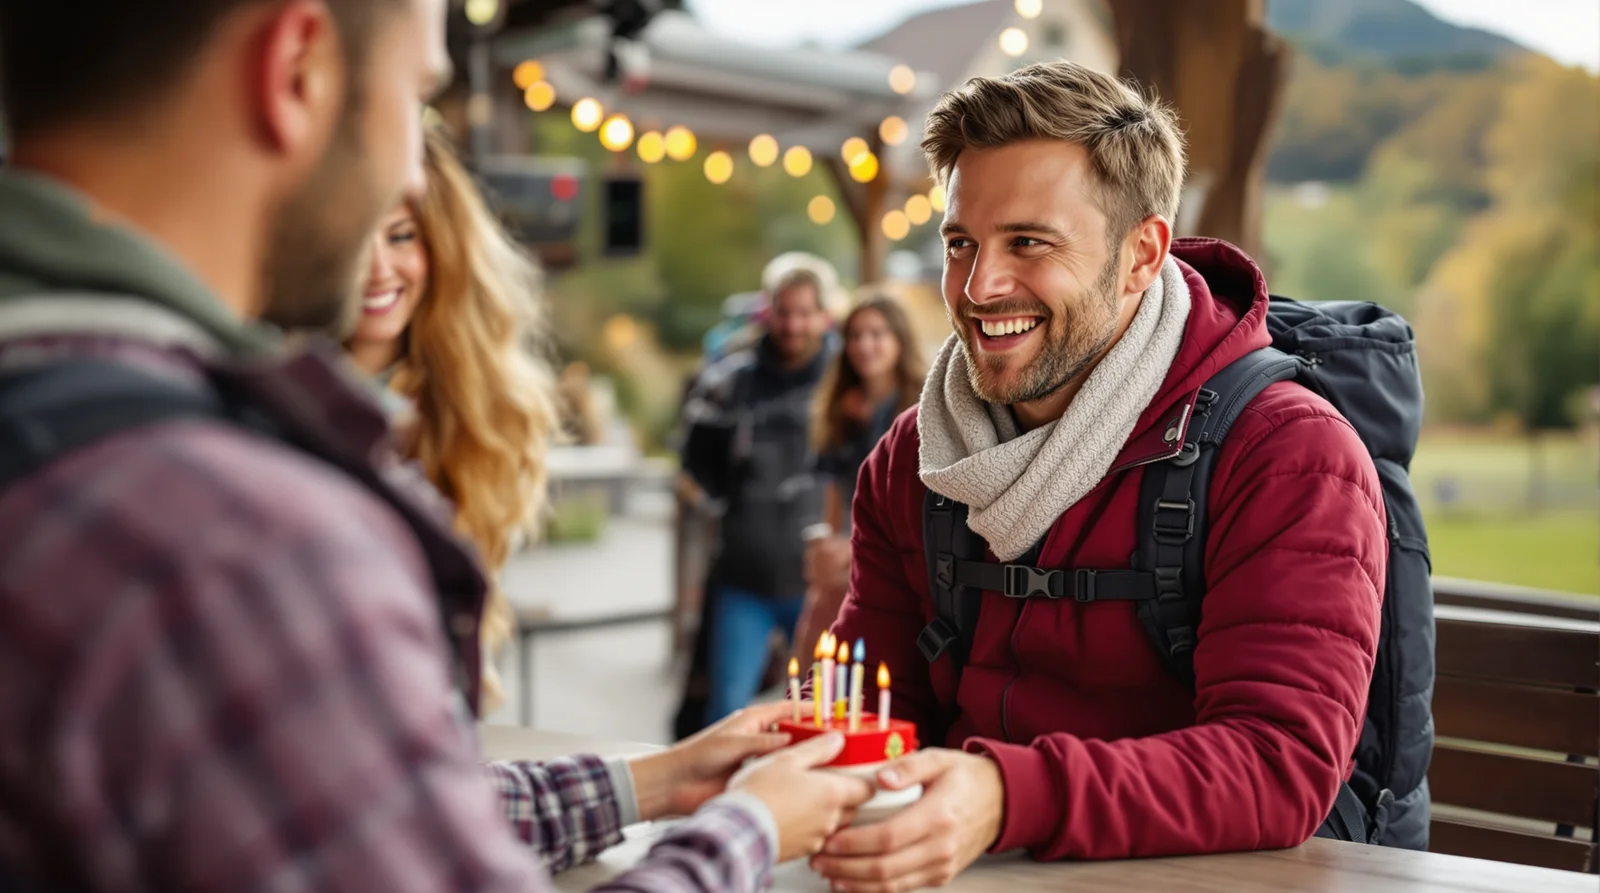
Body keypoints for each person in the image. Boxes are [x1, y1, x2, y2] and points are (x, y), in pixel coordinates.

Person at [0, 2, 872, 891]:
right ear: (297, 69)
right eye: (417, 96)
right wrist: (751, 828)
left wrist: (651, 780)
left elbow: (360, 812)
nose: (414, 170)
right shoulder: (238, 542)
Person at [809, 61, 1389, 890]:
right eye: (962, 244)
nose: (979, 288)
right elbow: (880, 714)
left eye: (1029, 243)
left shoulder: (1289, 454)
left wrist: (1009, 794)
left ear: (1140, 254)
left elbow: (1278, 763)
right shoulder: (912, 460)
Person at [345, 126, 559, 716]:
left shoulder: (479, 410)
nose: (377, 267)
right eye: (353, 238)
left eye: (401, 236)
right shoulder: (273, 393)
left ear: (443, 246)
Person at [678, 264, 835, 730]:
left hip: (820, 583)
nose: (794, 325)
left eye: (805, 313)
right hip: (742, 578)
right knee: (726, 713)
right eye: (784, 313)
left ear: (824, 316)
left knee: (824, 713)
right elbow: (692, 464)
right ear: (768, 314)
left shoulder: (845, 383)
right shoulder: (728, 382)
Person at [791, 295, 925, 665]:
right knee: (813, 652)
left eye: (876, 334)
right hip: (848, 551)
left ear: (899, 339)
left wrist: (854, 548)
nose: (864, 345)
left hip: (899, 554)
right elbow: (835, 490)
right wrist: (830, 544)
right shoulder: (838, 408)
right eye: (855, 336)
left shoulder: (923, 406)